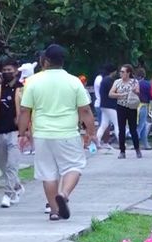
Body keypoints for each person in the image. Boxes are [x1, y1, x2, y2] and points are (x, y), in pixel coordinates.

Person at [18, 44, 97, 221]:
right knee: (74, 166)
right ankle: (64, 193)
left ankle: (54, 211)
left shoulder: (33, 82)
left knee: (48, 174)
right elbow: (85, 111)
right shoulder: (74, 81)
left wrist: (22, 134)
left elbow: (24, 111)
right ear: (62, 61)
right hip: (67, 134)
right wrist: (91, 133)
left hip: (42, 135)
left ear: (45, 61)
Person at [0, 58, 25, 208]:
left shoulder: (23, 90)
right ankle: (17, 186)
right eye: (4, 70)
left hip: (15, 132)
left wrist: (27, 130)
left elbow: (28, 112)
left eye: (9, 70)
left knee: (12, 165)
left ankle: (8, 194)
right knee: (2, 164)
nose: (7, 72)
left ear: (16, 71)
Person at [108, 64, 142, 159]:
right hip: (121, 106)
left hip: (131, 107)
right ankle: (122, 151)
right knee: (121, 129)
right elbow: (110, 94)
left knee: (133, 129)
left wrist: (135, 91)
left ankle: (137, 149)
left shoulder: (134, 82)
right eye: (121, 71)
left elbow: (138, 92)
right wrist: (119, 95)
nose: (121, 73)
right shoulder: (117, 82)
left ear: (128, 73)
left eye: (123, 72)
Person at [96, 67, 117, 149]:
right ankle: (122, 143)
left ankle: (97, 142)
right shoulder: (109, 81)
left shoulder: (103, 80)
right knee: (117, 124)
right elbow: (113, 93)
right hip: (110, 106)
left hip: (103, 105)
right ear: (113, 72)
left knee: (104, 125)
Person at [134, 68, 152, 150]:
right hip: (143, 106)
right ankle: (136, 143)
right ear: (143, 75)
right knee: (141, 125)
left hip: (134, 106)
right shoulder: (146, 84)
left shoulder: (134, 84)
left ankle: (146, 144)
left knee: (143, 125)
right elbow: (151, 96)